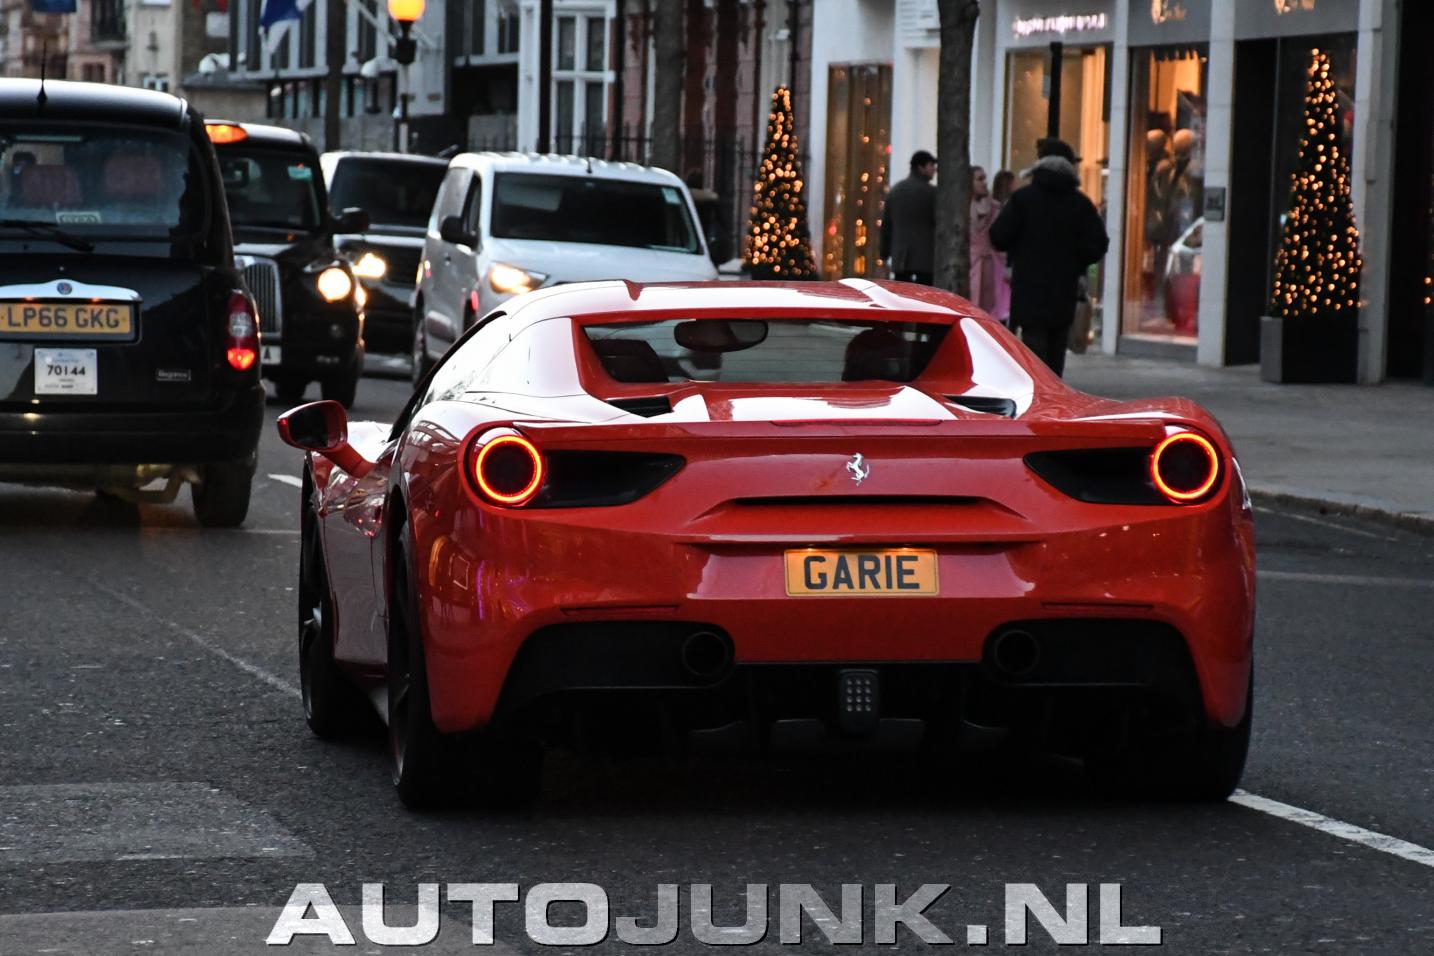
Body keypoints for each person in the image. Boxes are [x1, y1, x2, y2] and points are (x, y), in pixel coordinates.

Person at [989, 138, 1109, 377]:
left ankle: (1039, 395)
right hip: (1063, 291)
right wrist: (1076, 260)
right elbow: (1098, 243)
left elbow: (998, 236)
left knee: (1033, 355)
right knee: (1056, 354)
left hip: (1029, 289)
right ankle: (1054, 394)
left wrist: (1020, 249)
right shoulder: (1080, 204)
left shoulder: (1023, 199)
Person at [880, 149, 937, 285]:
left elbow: (887, 226)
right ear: (921, 167)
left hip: (901, 259)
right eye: (931, 165)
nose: (934, 169)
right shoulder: (932, 193)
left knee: (902, 292)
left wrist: (884, 253)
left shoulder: (896, 191)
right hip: (926, 260)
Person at [968, 166, 1010, 322]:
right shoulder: (960, 210)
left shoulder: (995, 208)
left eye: (985, 178)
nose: (985, 182)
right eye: (980, 179)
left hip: (992, 266)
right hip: (971, 264)